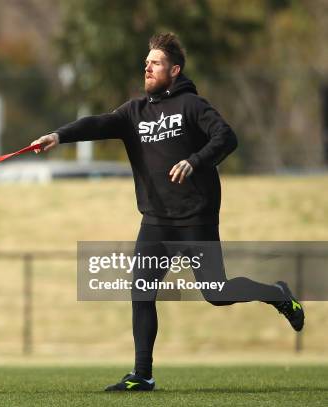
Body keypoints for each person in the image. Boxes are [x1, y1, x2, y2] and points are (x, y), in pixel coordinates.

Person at [31, 33, 304, 391]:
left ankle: (278, 293)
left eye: (155, 62)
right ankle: (142, 375)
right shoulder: (134, 113)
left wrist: (195, 161)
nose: (147, 66)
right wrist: (58, 135)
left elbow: (226, 137)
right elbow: (97, 123)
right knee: (141, 290)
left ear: (174, 70)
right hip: (156, 221)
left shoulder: (191, 105)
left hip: (195, 216)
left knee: (216, 292)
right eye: (146, 62)